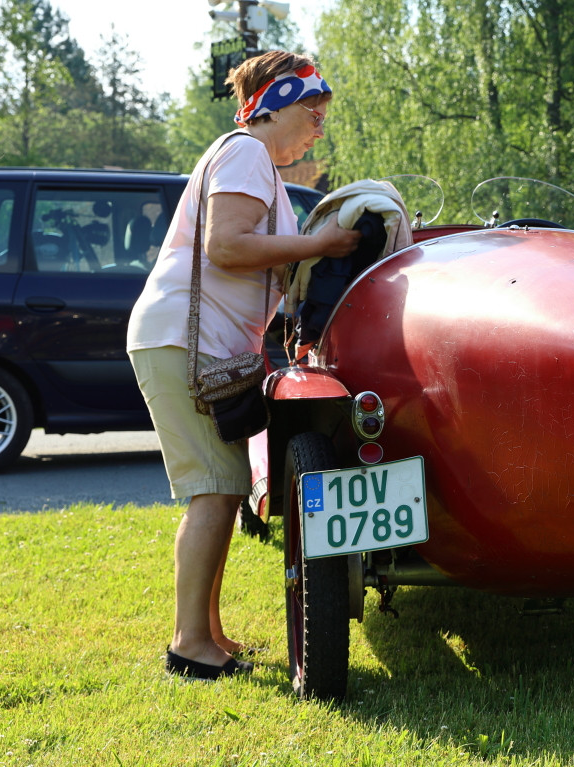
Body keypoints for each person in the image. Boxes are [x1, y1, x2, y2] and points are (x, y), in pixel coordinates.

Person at [126, 51, 361, 679]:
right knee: (214, 487)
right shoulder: (246, 152)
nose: (319, 125)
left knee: (224, 487)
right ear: (275, 105)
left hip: (188, 339)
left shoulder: (252, 161)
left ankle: (207, 633)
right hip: (180, 338)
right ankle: (188, 647)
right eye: (313, 111)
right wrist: (321, 244)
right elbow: (227, 245)